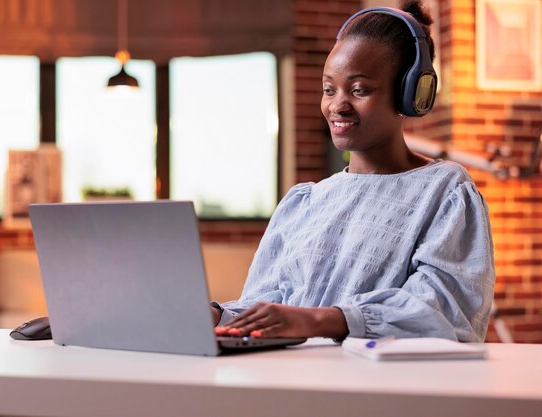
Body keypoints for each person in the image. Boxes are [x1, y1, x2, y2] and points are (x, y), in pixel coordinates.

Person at [211, 0, 495, 342]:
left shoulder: (445, 192)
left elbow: (446, 311)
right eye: (329, 89)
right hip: (292, 383)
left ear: (410, 94)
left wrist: (319, 320)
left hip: (381, 388)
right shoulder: (304, 202)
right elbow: (266, 308)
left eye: (359, 90)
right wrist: (219, 314)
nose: (337, 105)